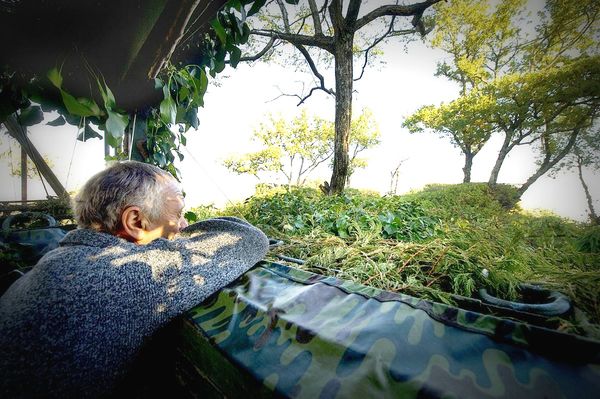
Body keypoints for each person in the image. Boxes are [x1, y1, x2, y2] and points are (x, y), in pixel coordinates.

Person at [0, 161, 269, 398]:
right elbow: (247, 237)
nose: (185, 225)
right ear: (135, 221)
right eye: (178, 214)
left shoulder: (58, 259)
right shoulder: (123, 275)